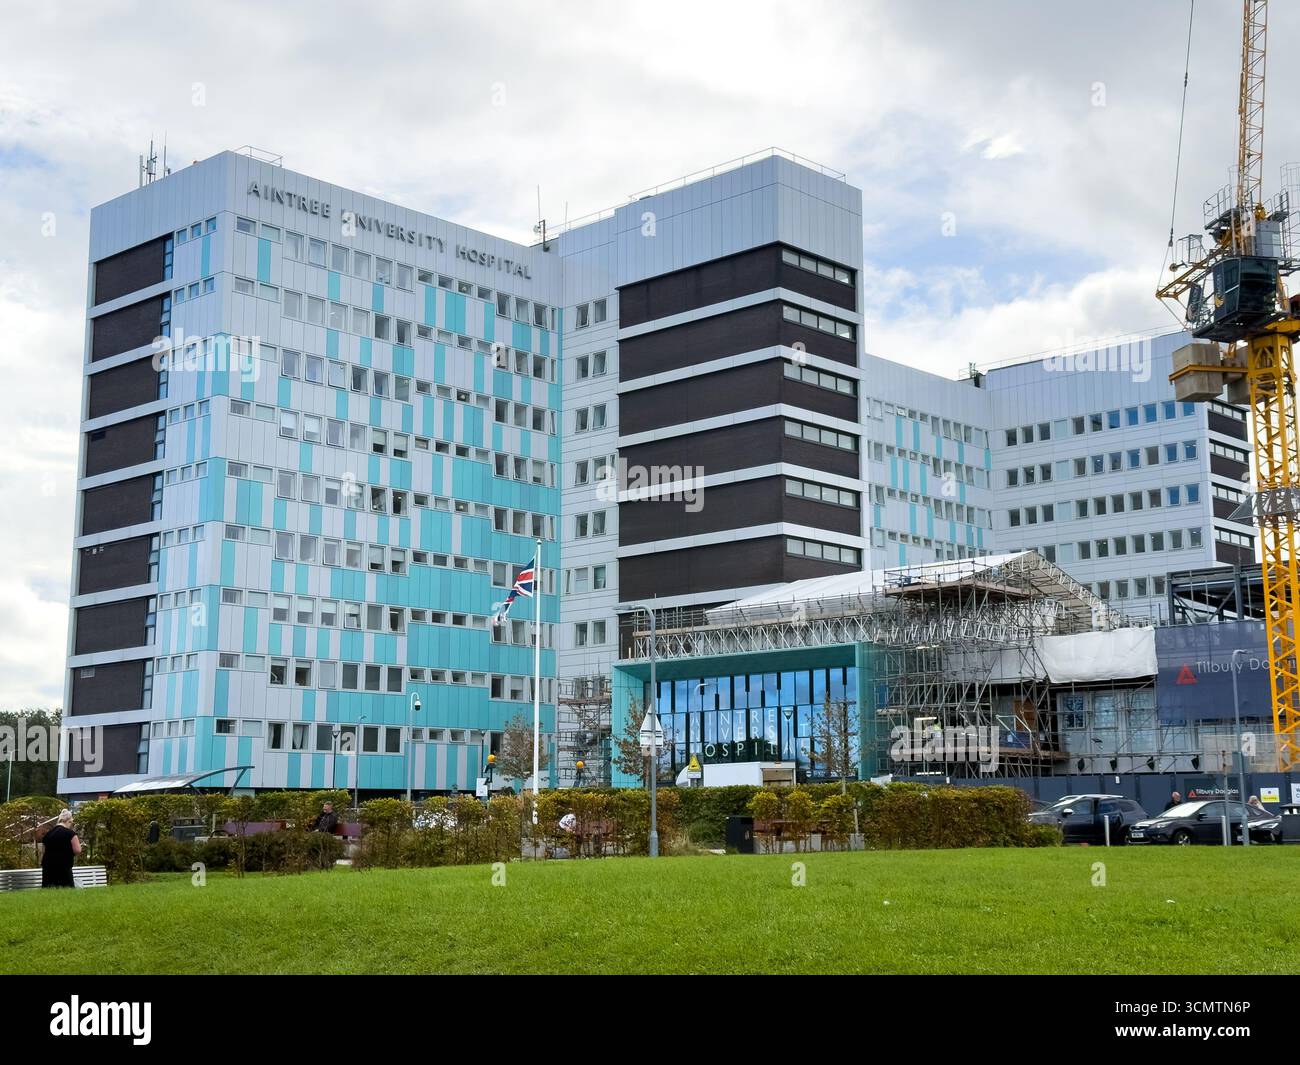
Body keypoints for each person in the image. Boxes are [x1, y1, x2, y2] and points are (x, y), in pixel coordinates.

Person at [41, 810, 81, 888]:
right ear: (69, 821)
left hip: (48, 867)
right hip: (64, 866)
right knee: (66, 891)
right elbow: (77, 850)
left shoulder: (48, 834)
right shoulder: (70, 833)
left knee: (48, 891)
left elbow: (44, 850)